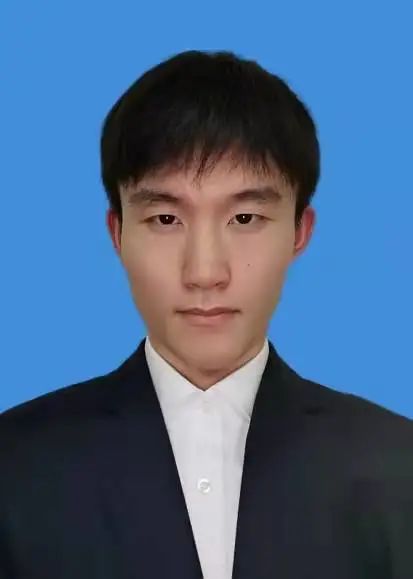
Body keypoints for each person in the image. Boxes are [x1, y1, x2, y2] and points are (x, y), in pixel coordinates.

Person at [1, 49, 413, 579]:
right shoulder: (16, 467)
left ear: (299, 232)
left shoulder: (397, 467)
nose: (204, 272)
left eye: (245, 218)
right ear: (117, 234)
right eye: (165, 218)